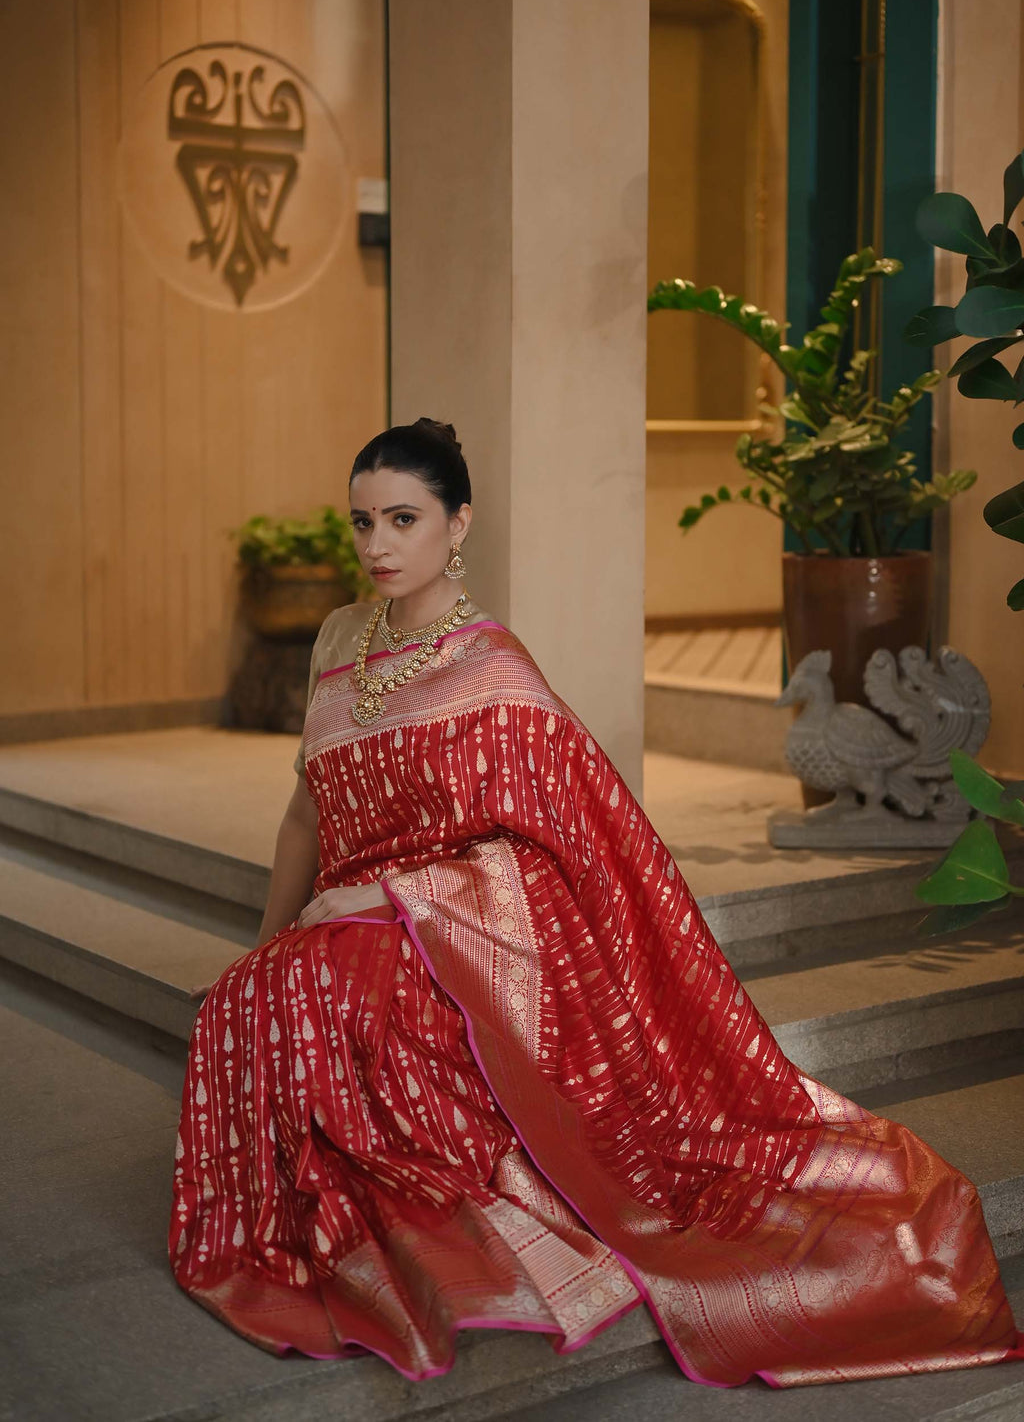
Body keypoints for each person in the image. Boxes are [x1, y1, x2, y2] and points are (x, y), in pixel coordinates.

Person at [170, 417, 1022, 1387]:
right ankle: (336, 1211)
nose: (376, 546)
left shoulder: (493, 669)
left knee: (323, 1001)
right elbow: (300, 815)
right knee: (257, 993)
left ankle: (423, 1219)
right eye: (362, 523)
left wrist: (389, 893)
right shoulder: (337, 640)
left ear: (458, 525)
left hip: (455, 936)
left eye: (402, 520)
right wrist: (267, 938)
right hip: (351, 920)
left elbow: (546, 857)